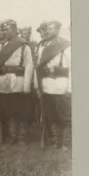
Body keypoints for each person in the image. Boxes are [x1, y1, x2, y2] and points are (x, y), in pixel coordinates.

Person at [0, 19, 34, 144]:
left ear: (15, 30)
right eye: (3, 30)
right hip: (3, 82)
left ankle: (21, 137)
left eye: (7, 29)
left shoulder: (23, 46)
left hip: (17, 81)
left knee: (20, 111)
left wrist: (26, 86)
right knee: (7, 111)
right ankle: (12, 135)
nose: (5, 32)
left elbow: (29, 65)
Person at [35, 19, 71, 148]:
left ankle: (66, 143)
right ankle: (56, 142)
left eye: (50, 28)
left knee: (64, 115)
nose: (47, 31)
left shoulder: (65, 45)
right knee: (51, 115)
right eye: (46, 29)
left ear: (57, 30)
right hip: (46, 85)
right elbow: (38, 67)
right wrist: (37, 86)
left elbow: (72, 67)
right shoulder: (41, 46)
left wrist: (70, 88)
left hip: (61, 85)